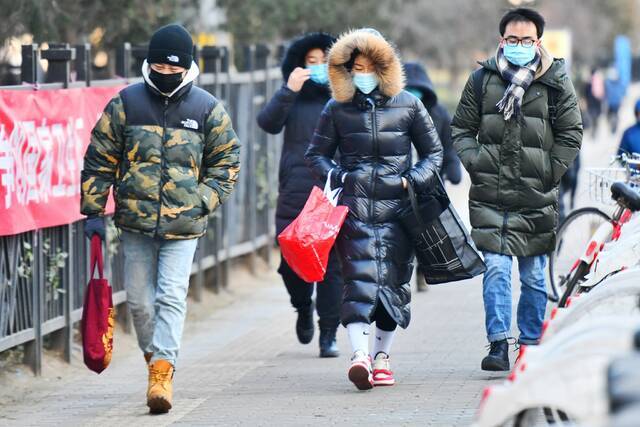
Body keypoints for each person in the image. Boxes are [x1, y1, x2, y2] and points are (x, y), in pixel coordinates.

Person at [80, 24, 240, 413]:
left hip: (184, 227)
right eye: (158, 68)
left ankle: (162, 373)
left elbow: (227, 161)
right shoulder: (126, 104)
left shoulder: (205, 108)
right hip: (134, 223)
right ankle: (156, 360)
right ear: (148, 64)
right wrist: (94, 210)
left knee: (170, 295)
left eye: (173, 70)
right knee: (139, 304)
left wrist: (202, 199)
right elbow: (100, 159)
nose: (165, 75)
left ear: (187, 68)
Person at [305, 28, 443, 390]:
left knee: (394, 286)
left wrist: (410, 181)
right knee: (358, 283)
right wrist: (339, 176)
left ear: (384, 67)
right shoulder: (336, 108)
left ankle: (382, 357)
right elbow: (315, 155)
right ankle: (359, 356)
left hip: (399, 211)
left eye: (368, 67)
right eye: (354, 68)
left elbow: (434, 153)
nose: (361, 74)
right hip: (354, 212)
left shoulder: (409, 105)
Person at [451, 8, 582, 371]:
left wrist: (549, 172)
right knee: (495, 270)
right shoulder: (481, 80)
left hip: (535, 195)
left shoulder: (555, 80)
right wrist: (476, 162)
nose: (519, 46)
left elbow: (572, 132)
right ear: (501, 41)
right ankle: (497, 344)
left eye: (526, 40)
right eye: (513, 40)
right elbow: (460, 129)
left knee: (535, 275)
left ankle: (529, 343)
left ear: (538, 42)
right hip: (490, 194)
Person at [256, 32, 343, 358]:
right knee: (291, 262)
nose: (319, 67)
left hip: (332, 193)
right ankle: (303, 306)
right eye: (312, 62)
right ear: (300, 64)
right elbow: (267, 123)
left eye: (325, 61)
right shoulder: (293, 99)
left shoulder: (341, 99)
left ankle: (329, 333)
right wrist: (288, 90)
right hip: (295, 191)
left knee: (331, 266)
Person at [404, 61, 461, 292]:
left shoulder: (438, 113)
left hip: (430, 183)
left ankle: (422, 270)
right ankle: (404, 272)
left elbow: (448, 145)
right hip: (401, 182)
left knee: (426, 232)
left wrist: (453, 166)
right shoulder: (393, 111)